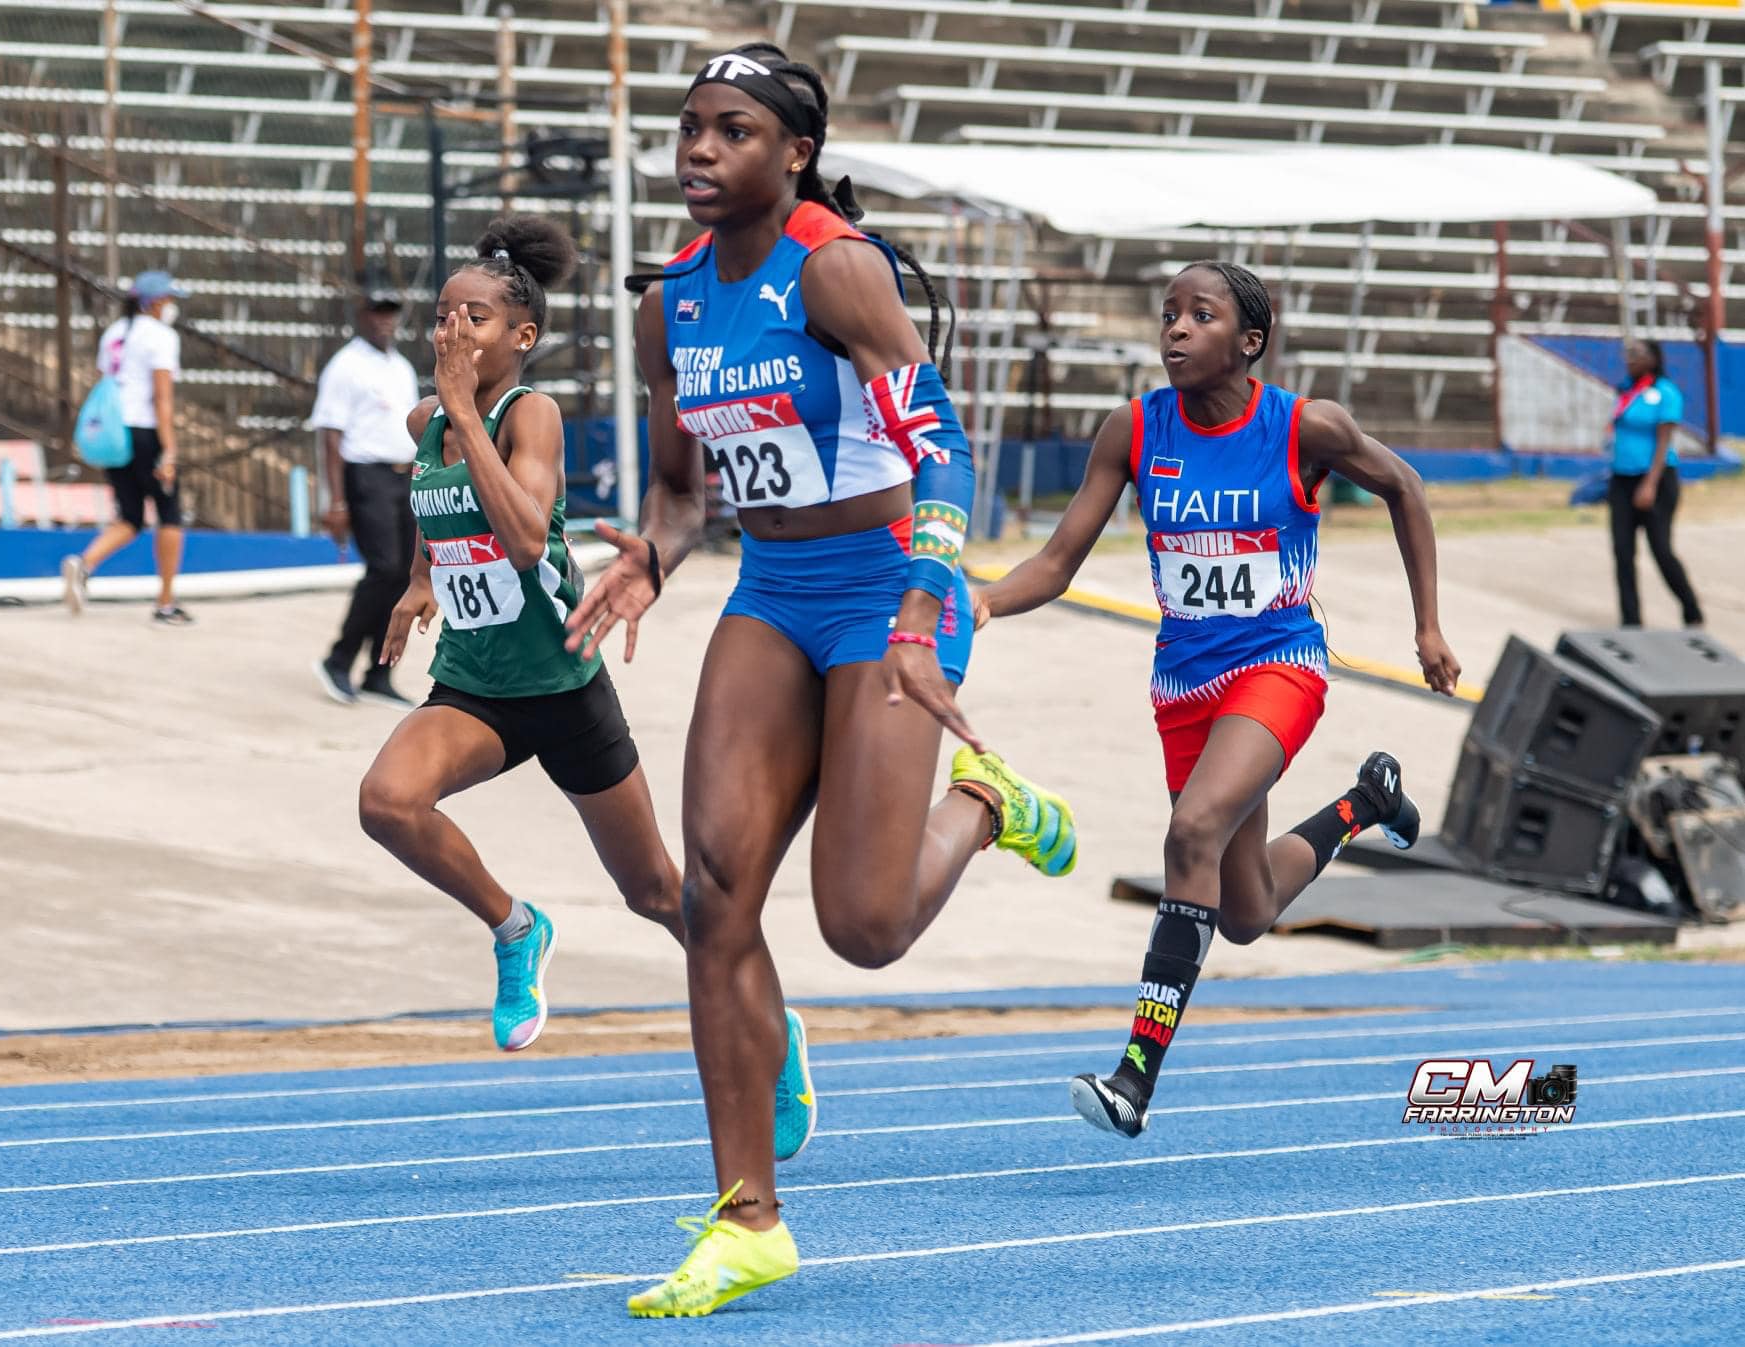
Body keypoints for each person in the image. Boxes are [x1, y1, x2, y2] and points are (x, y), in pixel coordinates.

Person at [563, 44, 1078, 1319]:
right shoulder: (667, 303)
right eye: (687, 129)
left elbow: (941, 442)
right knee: (714, 898)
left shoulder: (834, 268)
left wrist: (925, 591)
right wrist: (650, 556)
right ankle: (747, 1221)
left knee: (863, 927)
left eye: (730, 130)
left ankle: (984, 807)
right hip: (771, 594)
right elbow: (685, 491)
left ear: (792, 153)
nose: (697, 152)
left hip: (890, 586)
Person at [356, 216, 817, 1162]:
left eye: (474, 319)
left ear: (519, 337)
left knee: (662, 893)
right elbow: (435, 502)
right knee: (386, 802)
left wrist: (460, 410)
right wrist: (414, 581)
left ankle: (775, 1037)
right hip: (475, 684)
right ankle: (516, 927)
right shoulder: (428, 424)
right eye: (443, 316)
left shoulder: (530, 414)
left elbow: (525, 538)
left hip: (563, 685)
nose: (451, 333)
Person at [974, 260, 1461, 1140]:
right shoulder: (1130, 431)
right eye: (1167, 314)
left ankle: (1133, 1078)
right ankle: (1365, 801)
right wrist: (982, 599)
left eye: (1199, 316)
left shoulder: (1304, 425)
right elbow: (1054, 564)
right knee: (1242, 912)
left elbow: (1405, 488)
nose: (1175, 330)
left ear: (1249, 342)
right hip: (1182, 685)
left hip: (1279, 663)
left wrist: (1426, 626)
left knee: (1191, 831)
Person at [310, 291, 422, 706]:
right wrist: (336, 500)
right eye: (377, 312)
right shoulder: (346, 365)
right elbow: (331, 433)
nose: (384, 320)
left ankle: (380, 670)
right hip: (367, 474)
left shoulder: (401, 367)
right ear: (362, 316)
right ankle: (338, 659)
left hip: (402, 474)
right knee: (383, 567)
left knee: (405, 573)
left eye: (391, 313)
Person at [61, 269, 192, 624]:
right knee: (170, 514)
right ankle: (165, 602)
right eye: (169, 300)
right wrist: (169, 450)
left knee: (130, 515)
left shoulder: (114, 334)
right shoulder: (161, 337)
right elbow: (162, 398)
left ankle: (84, 564)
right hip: (146, 431)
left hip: (116, 435)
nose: (173, 306)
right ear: (156, 302)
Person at [1607, 338, 1703, 629]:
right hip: (1621, 479)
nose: (1630, 359)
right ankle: (1631, 621)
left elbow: (1664, 441)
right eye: (1627, 354)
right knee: (1623, 551)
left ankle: (1691, 610)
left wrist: (1649, 484)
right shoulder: (1627, 391)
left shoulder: (1666, 393)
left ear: (1653, 358)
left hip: (1655, 481)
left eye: (1636, 354)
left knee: (1660, 548)